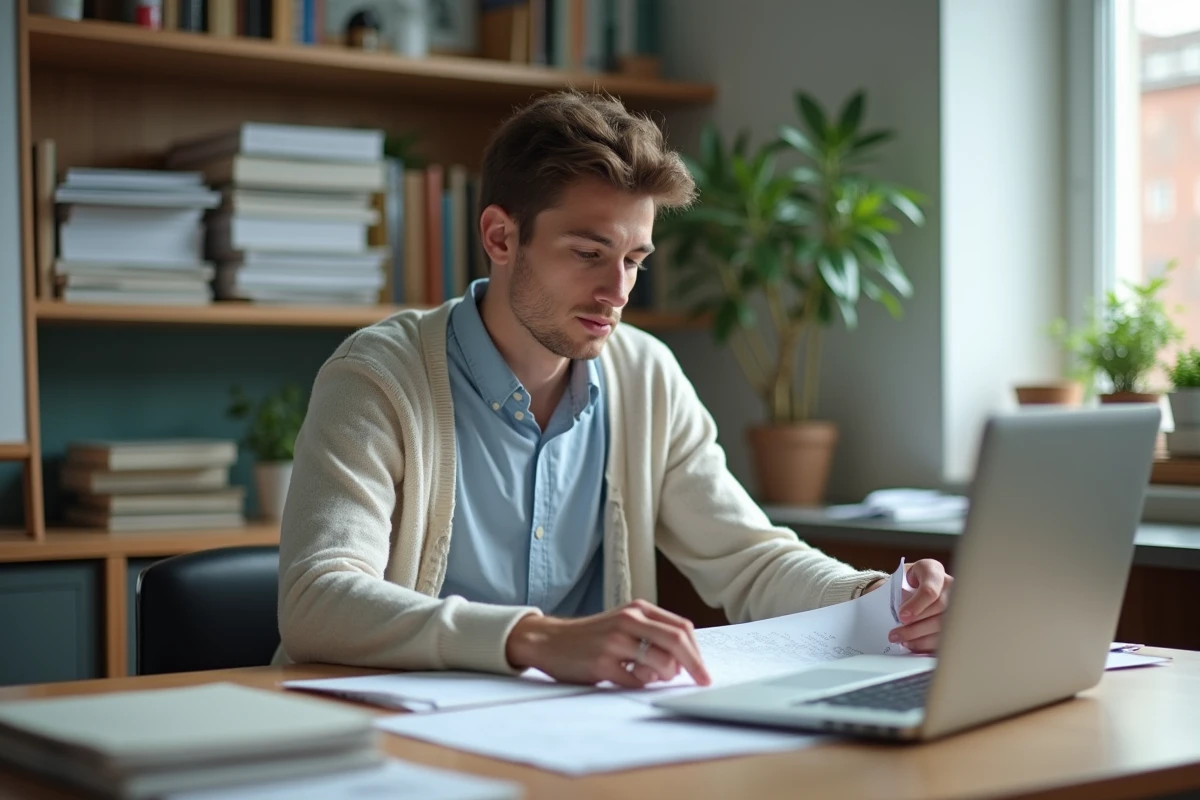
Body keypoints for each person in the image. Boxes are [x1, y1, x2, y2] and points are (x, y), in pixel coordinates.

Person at [273, 90, 952, 689]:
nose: (618, 292)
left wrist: (881, 599)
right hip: (388, 742)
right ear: (501, 236)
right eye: (589, 253)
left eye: (634, 259)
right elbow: (318, 599)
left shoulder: (645, 374)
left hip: (575, 735)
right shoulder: (378, 376)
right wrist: (535, 639)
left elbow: (747, 559)